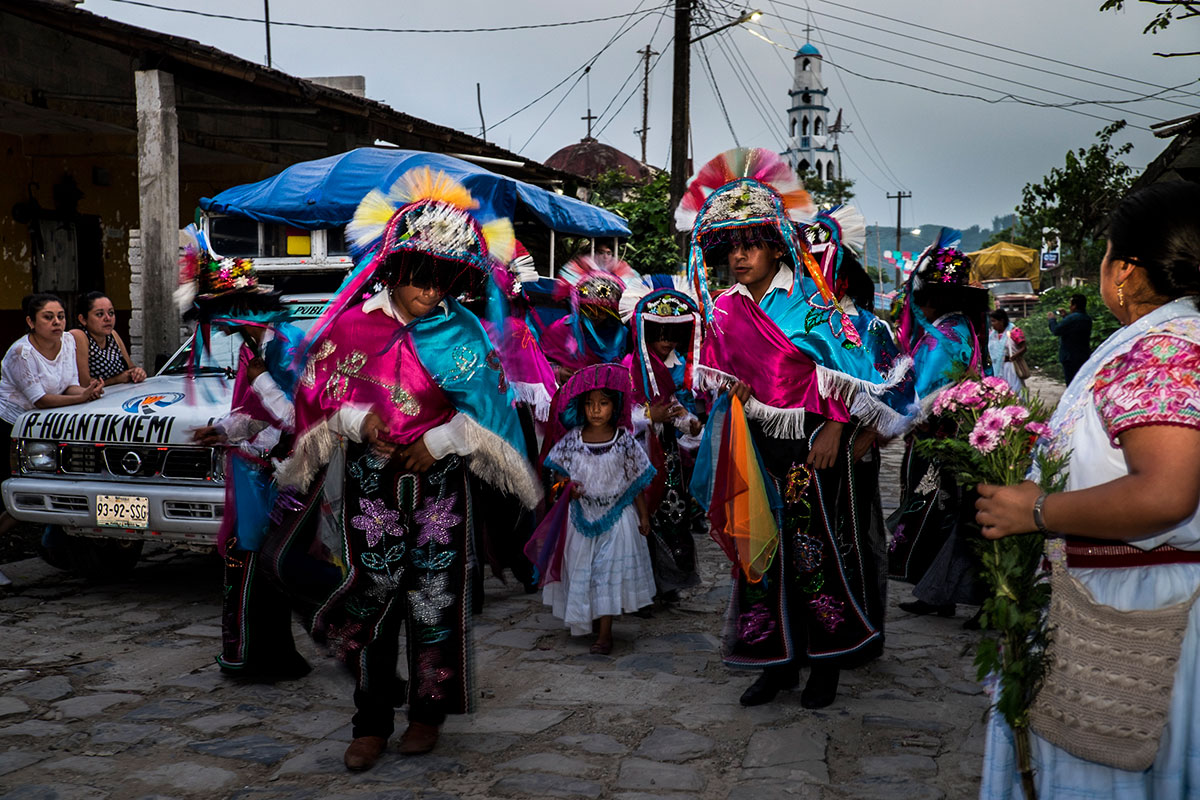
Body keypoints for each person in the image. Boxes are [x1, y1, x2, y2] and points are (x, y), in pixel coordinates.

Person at [269, 168, 541, 771]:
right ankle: (371, 719)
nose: (432, 291)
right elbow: (317, 399)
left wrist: (443, 440)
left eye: (446, 279)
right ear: (393, 267)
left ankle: (427, 714)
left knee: (435, 600)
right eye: (422, 275)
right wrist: (356, 422)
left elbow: (493, 411)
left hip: (440, 490)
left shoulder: (463, 330)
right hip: (370, 488)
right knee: (373, 597)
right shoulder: (350, 328)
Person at [975, 181, 1200, 799]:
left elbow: (1166, 493)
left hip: (1135, 607)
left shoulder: (1162, 350)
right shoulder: (1166, 340)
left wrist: (1037, 509)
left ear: (1124, 272)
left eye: (1104, 253)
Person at [678, 149, 913, 710]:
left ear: (776, 244)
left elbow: (857, 371)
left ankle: (826, 664)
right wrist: (731, 391)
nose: (739, 257)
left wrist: (835, 428)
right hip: (755, 446)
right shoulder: (725, 310)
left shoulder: (813, 303)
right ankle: (774, 662)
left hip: (812, 446)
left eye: (750, 244)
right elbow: (719, 375)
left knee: (815, 553)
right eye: (730, 247)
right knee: (762, 556)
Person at [176, 229, 311, 682]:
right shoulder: (255, 348)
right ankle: (258, 655)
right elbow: (252, 417)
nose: (227, 328)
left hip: (281, 477)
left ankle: (264, 657)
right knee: (254, 560)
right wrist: (221, 430)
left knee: (266, 563)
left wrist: (261, 382)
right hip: (256, 475)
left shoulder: (286, 347)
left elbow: (296, 420)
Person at [888, 230, 991, 624]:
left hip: (938, 440)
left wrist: (890, 423)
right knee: (947, 512)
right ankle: (937, 591)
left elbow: (919, 395)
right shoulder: (964, 328)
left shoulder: (941, 338)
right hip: (957, 436)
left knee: (938, 512)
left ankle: (940, 590)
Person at [540, 363, 656, 654]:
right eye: (590, 404)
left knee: (608, 573)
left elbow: (635, 482)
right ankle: (588, 617)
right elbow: (557, 475)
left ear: (614, 407)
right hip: (580, 518)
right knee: (585, 570)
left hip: (618, 518)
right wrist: (566, 487)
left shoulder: (625, 442)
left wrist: (643, 515)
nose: (595, 410)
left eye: (603, 403)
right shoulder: (572, 441)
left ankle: (605, 633)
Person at [619, 275, 705, 603]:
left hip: (666, 455)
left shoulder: (662, 371)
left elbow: (672, 408)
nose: (667, 341)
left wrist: (690, 424)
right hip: (638, 455)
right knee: (641, 519)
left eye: (672, 334)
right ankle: (640, 588)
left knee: (670, 514)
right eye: (660, 334)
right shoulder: (628, 367)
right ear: (646, 332)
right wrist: (648, 417)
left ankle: (665, 583)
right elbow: (620, 416)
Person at [0, 294, 104, 557]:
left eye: (60, 316)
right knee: (12, 495)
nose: (57, 322)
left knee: (47, 488)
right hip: (11, 425)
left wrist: (87, 391)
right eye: (48, 317)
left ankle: (57, 547)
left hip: (45, 427)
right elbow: (41, 399)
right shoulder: (21, 352)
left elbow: (69, 384)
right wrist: (80, 397)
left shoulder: (67, 341)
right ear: (31, 322)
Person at [538, 255, 639, 381]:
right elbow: (537, 362)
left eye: (603, 311)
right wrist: (558, 372)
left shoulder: (622, 334)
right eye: (590, 309)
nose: (596, 315)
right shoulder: (560, 330)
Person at [69, 291, 147, 386]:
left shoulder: (113, 335)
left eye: (111, 313)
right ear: (83, 319)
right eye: (99, 314)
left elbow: (130, 367)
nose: (108, 318)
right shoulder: (79, 336)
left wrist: (137, 372)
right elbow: (85, 384)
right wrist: (117, 379)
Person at [1047, 292, 1092, 383]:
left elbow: (1056, 330)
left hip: (1070, 356)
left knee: (1071, 381)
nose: (1069, 307)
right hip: (1083, 354)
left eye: (1070, 304)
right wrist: (1065, 316)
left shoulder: (1072, 318)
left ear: (1074, 306)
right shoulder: (1087, 318)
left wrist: (1052, 320)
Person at [988, 308, 1027, 395]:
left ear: (1001, 321)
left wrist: (1014, 356)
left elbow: (1024, 348)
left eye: (994, 321)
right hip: (997, 366)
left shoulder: (1014, 331)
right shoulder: (993, 335)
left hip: (1011, 366)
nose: (992, 324)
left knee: (1014, 389)